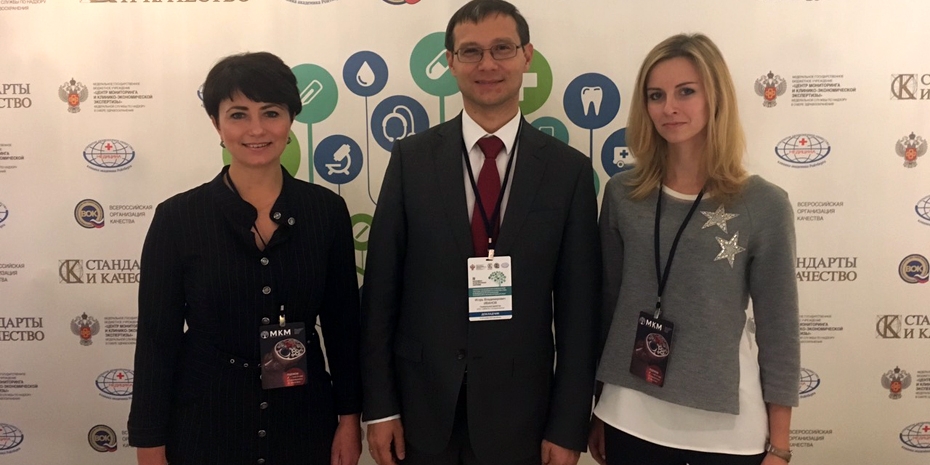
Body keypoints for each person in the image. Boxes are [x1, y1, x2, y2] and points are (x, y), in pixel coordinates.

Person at [360, 1, 601, 465]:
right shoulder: (411, 160)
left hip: (523, 419)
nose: (487, 64)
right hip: (420, 411)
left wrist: (568, 424)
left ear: (527, 56)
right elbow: (380, 295)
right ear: (450, 62)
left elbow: (578, 313)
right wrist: (381, 407)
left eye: (502, 48)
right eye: (470, 51)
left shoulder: (567, 172)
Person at [127, 52, 362, 465]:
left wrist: (349, 418)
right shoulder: (178, 218)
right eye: (238, 115)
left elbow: (343, 326)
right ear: (216, 124)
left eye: (271, 112)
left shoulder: (325, 211)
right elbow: (156, 340)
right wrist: (149, 442)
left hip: (304, 421)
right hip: (205, 422)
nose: (256, 129)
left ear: (291, 119)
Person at [588, 34, 799, 465]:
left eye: (686, 91)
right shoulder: (623, 194)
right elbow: (606, 306)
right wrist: (596, 406)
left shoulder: (763, 204)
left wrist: (780, 445)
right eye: (656, 95)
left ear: (716, 97)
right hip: (627, 416)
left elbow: (779, 330)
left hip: (725, 431)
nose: (669, 107)